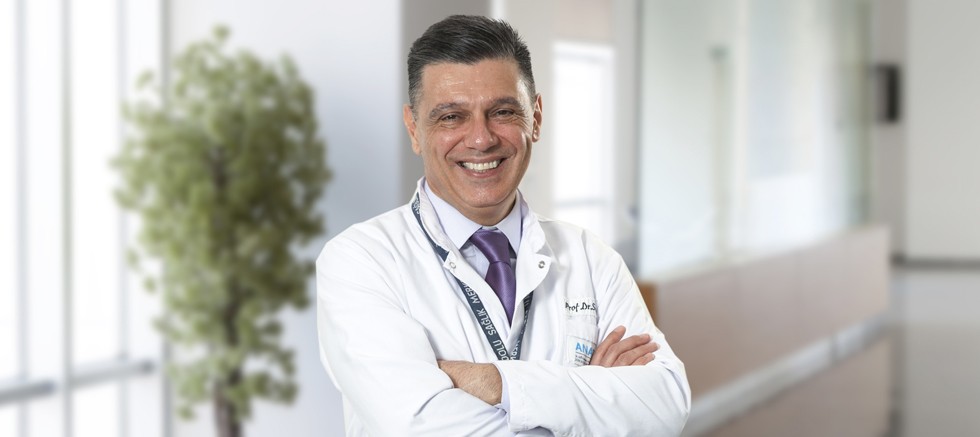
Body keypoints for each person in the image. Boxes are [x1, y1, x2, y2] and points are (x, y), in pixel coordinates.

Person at [317, 14, 690, 436]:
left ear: (536, 117)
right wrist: (589, 396)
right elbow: (418, 427)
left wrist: (494, 382)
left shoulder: (589, 256)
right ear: (414, 129)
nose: (481, 139)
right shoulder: (360, 261)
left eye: (503, 112)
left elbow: (665, 405)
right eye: (451, 117)